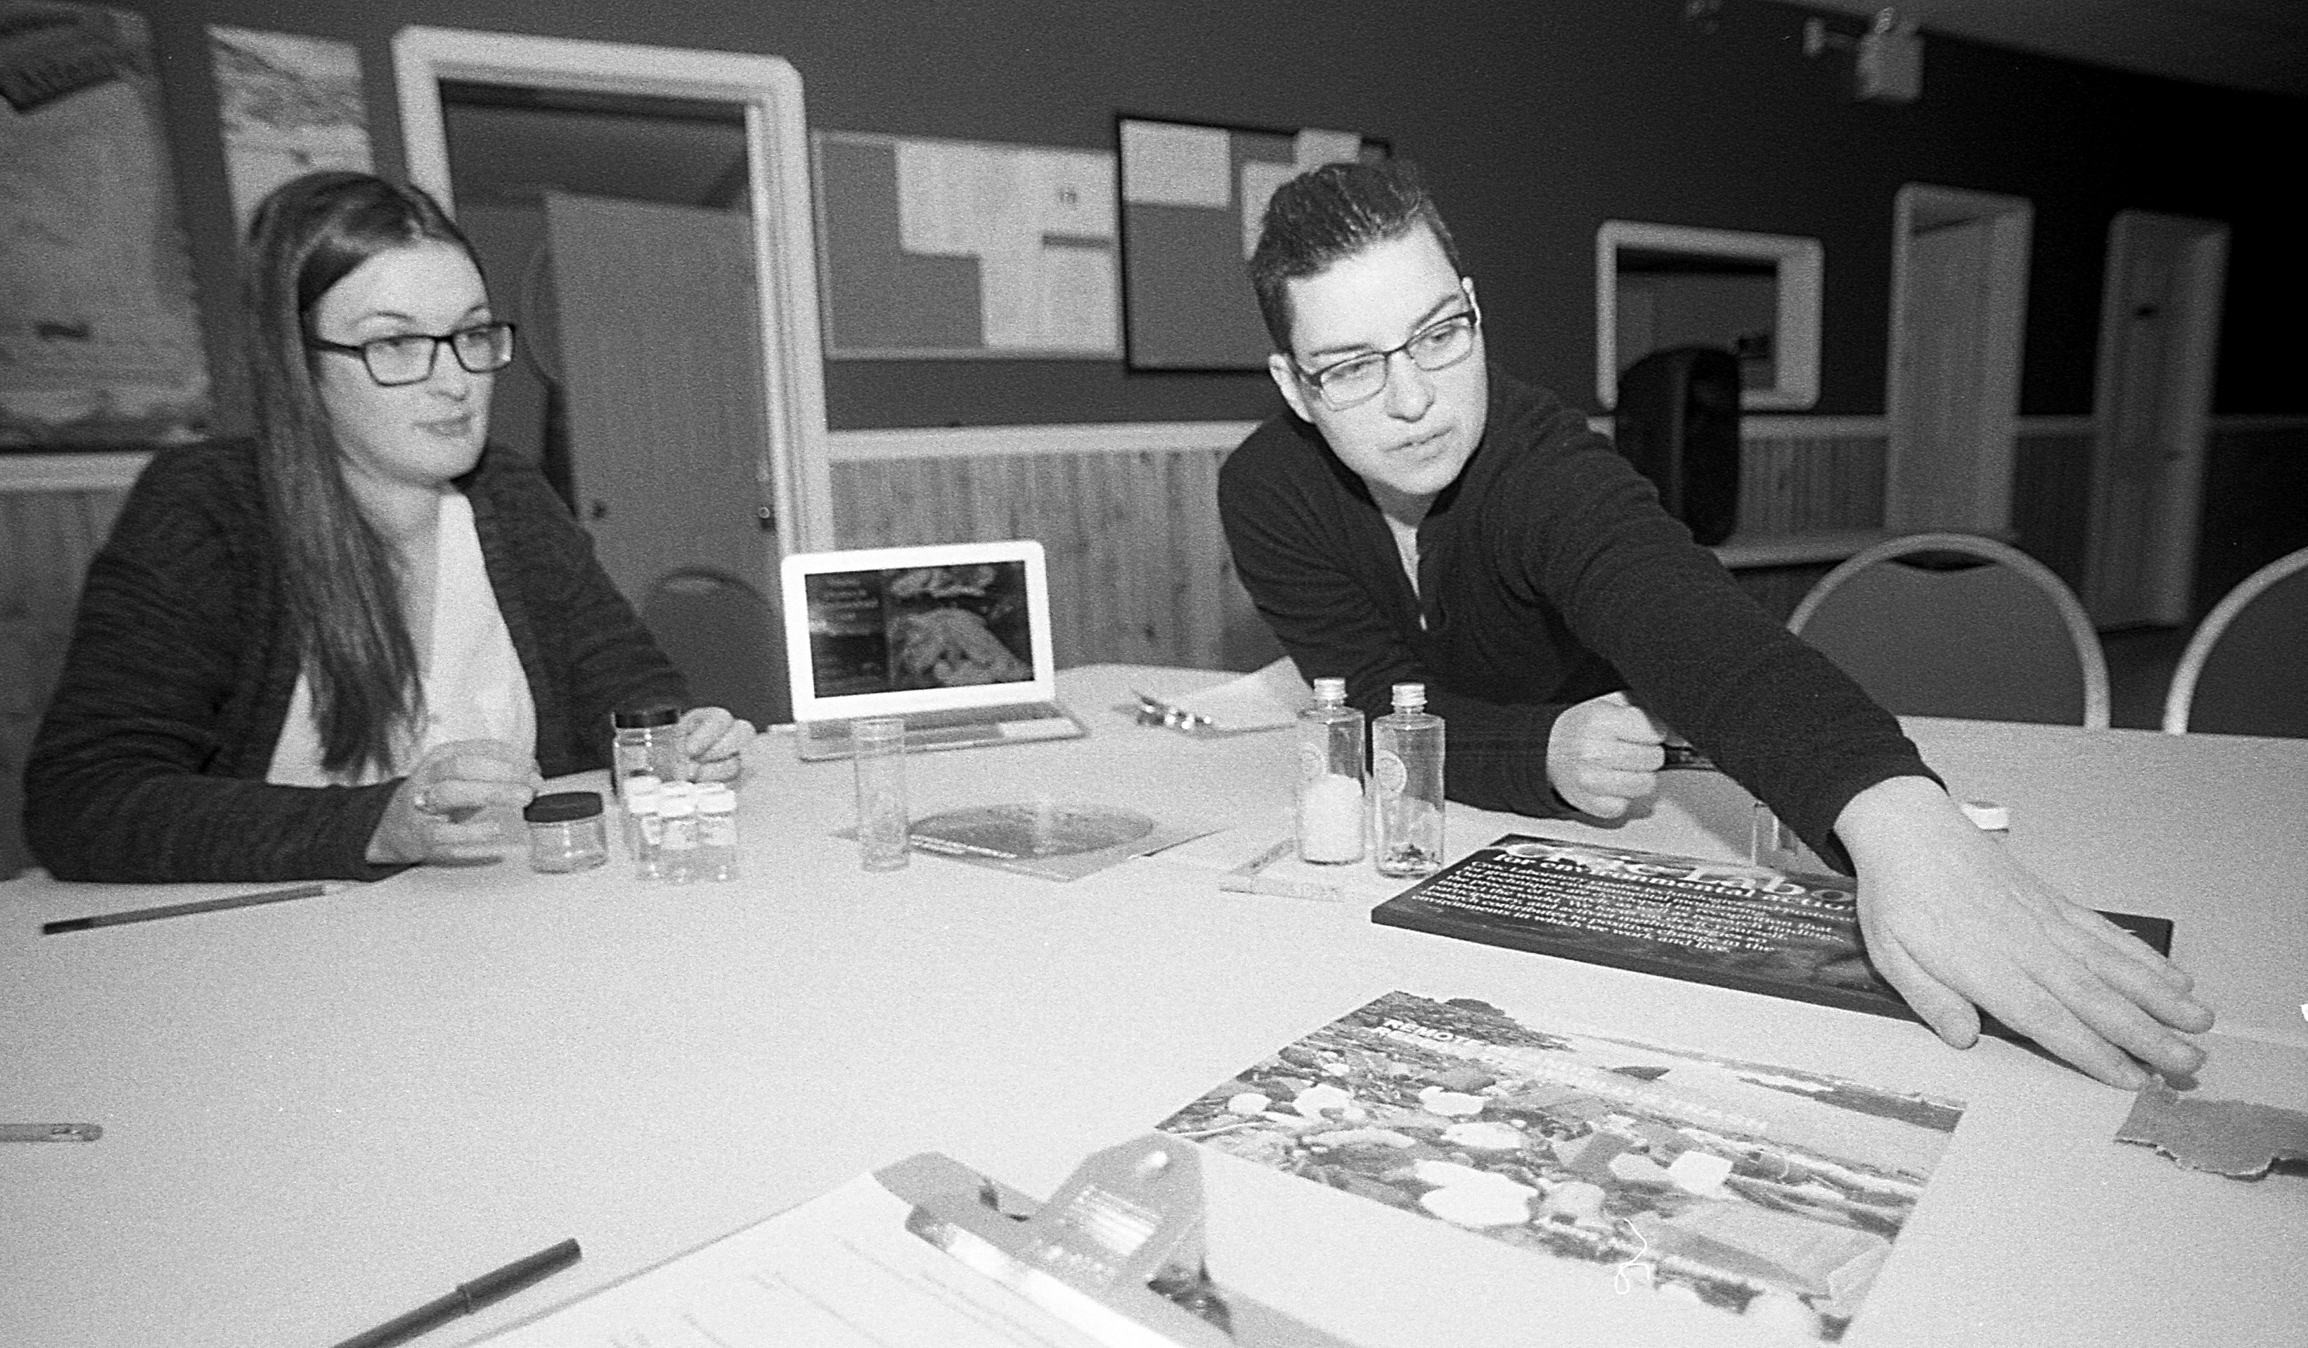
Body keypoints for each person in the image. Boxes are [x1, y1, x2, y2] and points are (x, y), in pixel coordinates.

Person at [1219, 160, 2211, 1090]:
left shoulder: (1545, 469)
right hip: (1415, 891)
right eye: (1350, 366)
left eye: (1440, 334)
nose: (1414, 397)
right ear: (1290, 385)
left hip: (1618, 844)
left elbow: (1694, 626)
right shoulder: (1264, 493)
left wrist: (1900, 822)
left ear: (1474, 309)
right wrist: (1540, 746)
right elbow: (1383, 706)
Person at [24, 171, 752, 883]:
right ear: (298, 364)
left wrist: (677, 741)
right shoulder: (208, 508)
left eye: (471, 334)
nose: (455, 380)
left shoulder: (511, 496)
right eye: (395, 344)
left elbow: (628, 689)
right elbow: (83, 800)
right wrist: (376, 824)